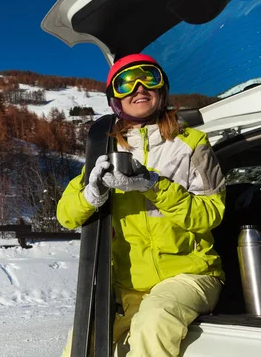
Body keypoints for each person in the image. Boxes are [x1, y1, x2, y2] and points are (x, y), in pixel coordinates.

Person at [57, 53, 226, 357]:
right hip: (128, 287)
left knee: (154, 322)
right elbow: (65, 216)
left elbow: (210, 214)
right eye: (126, 82)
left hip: (190, 275)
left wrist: (154, 185)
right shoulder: (105, 151)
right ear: (115, 99)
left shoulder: (192, 145)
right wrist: (90, 195)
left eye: (149, 77)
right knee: (81, 341)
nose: (138, 88)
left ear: (162, 90)